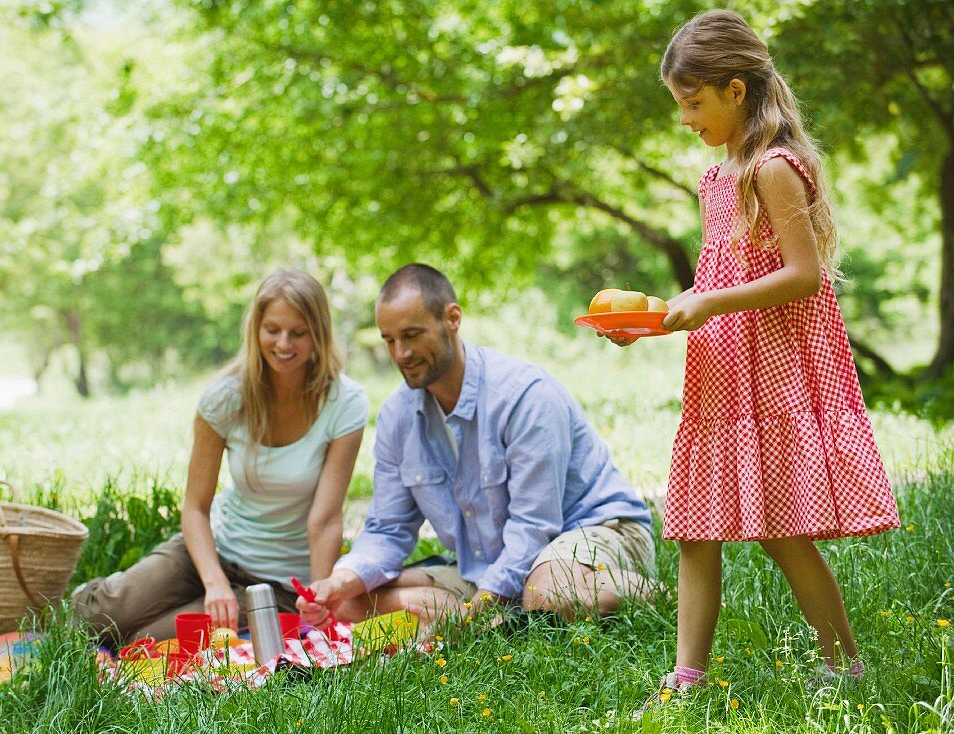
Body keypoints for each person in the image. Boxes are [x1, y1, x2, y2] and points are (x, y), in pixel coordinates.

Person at [623, 9, 900, 707]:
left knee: (782, 532)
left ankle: (844, 665)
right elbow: (719, 279)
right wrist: (653, 321)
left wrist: (709, 305)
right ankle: (687, 677)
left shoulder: (773, 169)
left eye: (694, 102)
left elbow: (803, 275)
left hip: (771, 373)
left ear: (736, 90)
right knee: (693, 527)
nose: (686, 118)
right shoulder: (717, 178)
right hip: (721, 375)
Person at [298, 263, 654, 628]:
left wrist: (483, 603)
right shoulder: (396, 417)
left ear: (452, 319)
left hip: (594, 530)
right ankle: (497, 611)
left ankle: (651, 593)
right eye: (389, 340)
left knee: (548, 595)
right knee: (351, 604)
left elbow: (534, 526)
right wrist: (340, 581)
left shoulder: (523, 396)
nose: (400, 353)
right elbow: (388, 529)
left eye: (412, 335)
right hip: (499, 560)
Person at [71, 269, 368, 644]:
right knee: (99, 620)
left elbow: (324, 520)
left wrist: (316, 599)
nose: (283, 343)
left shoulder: (345, 403)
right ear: (256, 329)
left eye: (299, 332)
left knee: (141, 642)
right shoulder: (226, 399)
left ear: (319, 334)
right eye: (272, 329)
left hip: (278, 585)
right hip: (212, 553)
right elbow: (195, 508)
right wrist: (214, 583)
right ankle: (97, 594)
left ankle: (168, 613)